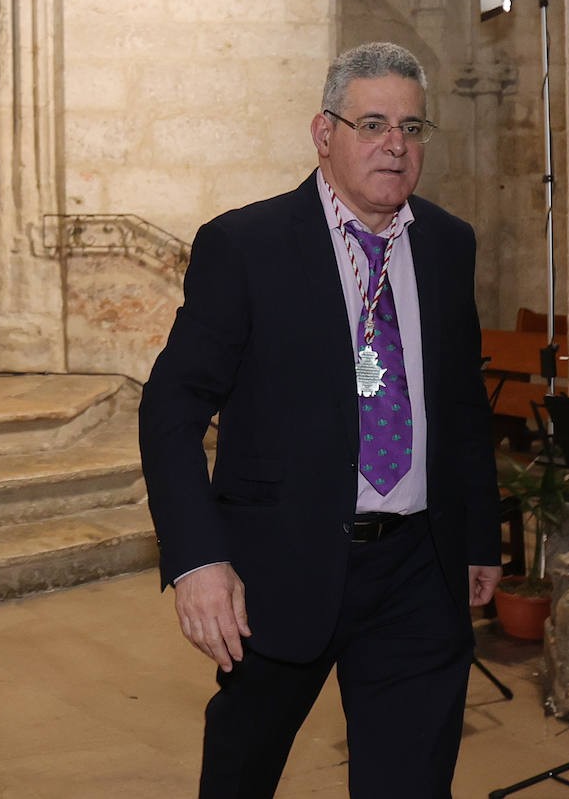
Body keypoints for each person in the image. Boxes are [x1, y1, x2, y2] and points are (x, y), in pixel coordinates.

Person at [138, 41, 501, 798]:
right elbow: (171, 408)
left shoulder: (447, 245)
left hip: (417, 572)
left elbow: (462, 404)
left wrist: (478, 537)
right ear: (323, 132)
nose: (395, 145)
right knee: (241, 774)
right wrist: (197, 559)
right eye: (372, 123)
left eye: (411, 127)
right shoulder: (245, 246)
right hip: (280, 569)